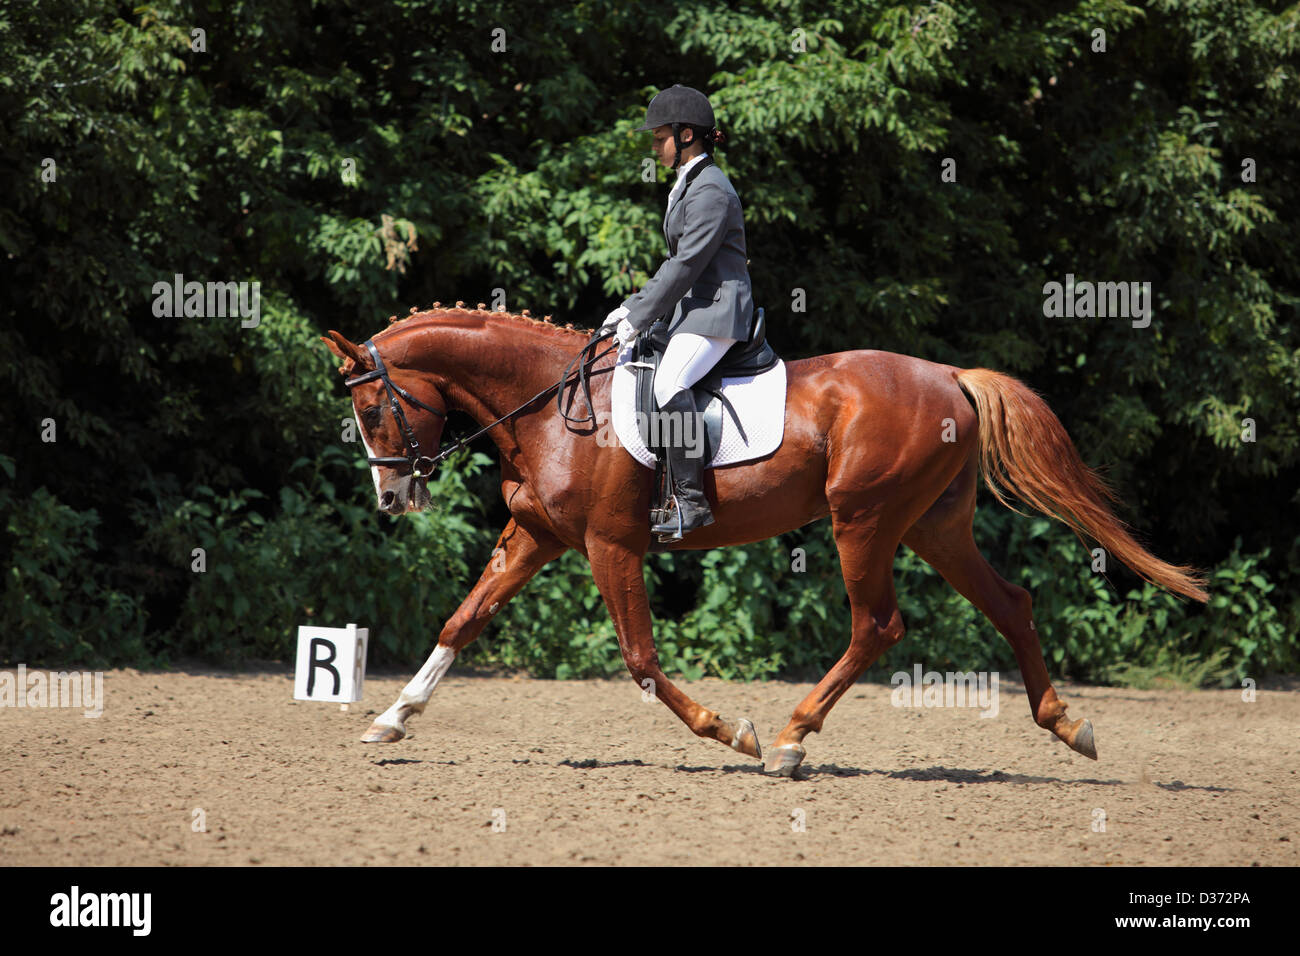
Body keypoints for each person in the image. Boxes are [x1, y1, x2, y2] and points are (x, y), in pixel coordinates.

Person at [602, 84, 754, 539]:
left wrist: (638, 315)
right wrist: (630, 309)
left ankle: (690, 503)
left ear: (686, 134)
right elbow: (676, 266)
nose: (654, 144)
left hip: (718, 311)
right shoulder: (688, 182)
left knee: (670, 382)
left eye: (659, 135)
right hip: (694, 309)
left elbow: (686, 264)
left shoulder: (711, 189)